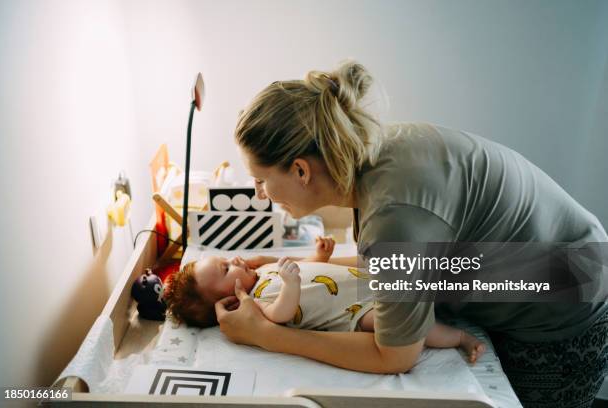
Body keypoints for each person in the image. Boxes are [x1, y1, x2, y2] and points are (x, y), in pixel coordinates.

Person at [215, 60, 608, 408]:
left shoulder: (393, 212)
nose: (258, 193)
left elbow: (396, 356)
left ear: (301, 171)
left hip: (566, 298)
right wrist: (297, 264)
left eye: (260, 179)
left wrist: (266, 334)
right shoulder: (371, 151)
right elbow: (393, 265)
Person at [164, 237, 485, 362]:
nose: (234, 260)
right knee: (406, 325)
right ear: (229, 300)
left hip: (362, 283)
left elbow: (307, 267)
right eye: (225, 269)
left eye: (226, 258)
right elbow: (281, 314)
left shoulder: (263, 272)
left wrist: (318, 255)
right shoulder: (256, 302)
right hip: (355, 312)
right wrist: (289, 284)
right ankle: (459, 337)